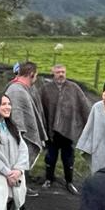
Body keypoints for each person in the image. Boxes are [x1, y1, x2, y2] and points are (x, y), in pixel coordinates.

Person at [39, 64, 91, 194]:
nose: (61, 74)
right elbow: (40, 109)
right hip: (51, 131)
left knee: (68, 158)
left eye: (63, 72)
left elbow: (84, 106)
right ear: (53, 74)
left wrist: (89, 124)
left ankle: (69, 182)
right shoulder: (46, 89)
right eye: (58, 72)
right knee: (51, 157)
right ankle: (49, 179)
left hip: (69, 130)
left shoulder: (74, 88)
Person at [2, 62, 42, 210]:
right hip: (15, 143)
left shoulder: (20, 89)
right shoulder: (16, 91)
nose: (36, 78)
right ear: (31, 74)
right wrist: (19, 145)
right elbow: (17, 122)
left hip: (19, 143)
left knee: (21, 182)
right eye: (36, 75)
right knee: (14, 181)